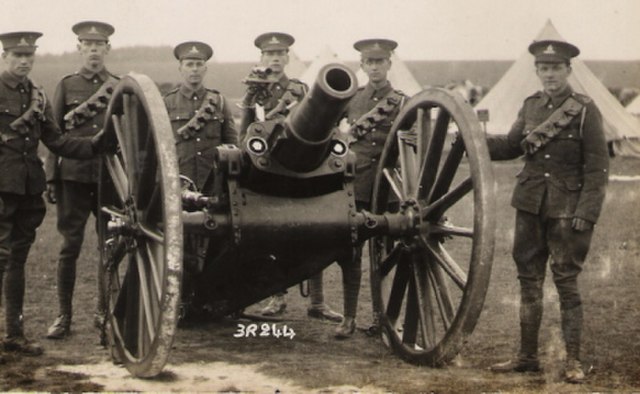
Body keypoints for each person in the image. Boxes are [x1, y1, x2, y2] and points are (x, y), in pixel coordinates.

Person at [486, 39, 609, 383]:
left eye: (556, 68)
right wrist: (472, 139)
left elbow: (598, 169)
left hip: (567, 211)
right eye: (544, 68)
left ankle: (573, 361)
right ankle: (527, 357)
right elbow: (511, 145)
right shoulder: (531, 107)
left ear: (568, 70)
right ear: (537, 71)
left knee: (567, 282)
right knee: (528, 282)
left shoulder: (584, 109)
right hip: (528, 206)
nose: (550, 74)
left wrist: (587, 212)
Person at [0, 31, 101, 355]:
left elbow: (57, 141)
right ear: (5, 57)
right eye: (17, 56)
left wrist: (96, 145)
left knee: (17, 259)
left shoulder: (37, 96)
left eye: (29, 56)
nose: (24, 61)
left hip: (28, 190)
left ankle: (14, 335)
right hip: (2, 188)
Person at [240, 32, 342, 322]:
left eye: (280, 54)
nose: (275, 58)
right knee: (267, 236)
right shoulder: (254, 91)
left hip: (298, 169)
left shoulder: (299, 90)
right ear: (261, 58)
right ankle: (276, 298)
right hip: (266, 170)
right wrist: (249, 101)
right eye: (269, 54)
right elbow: (243, 135)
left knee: (317, 231)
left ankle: (318, 302)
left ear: (287, 58)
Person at [44, 21, 119, 340]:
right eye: (87, 45)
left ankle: (104, 314)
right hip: (72, 177)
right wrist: (51, 177)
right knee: (69, 246)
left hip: (109, 178)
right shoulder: (66, 85)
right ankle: (64, 315)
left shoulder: (118, 85)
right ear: (79, 49)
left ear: (107, 49)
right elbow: (53, 135)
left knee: (110, 247)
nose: (93, 51)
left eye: (99, 45)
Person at [335, 38, 407, 338]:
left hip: (388, 187)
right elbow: (331, 134)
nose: (375, 67)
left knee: (386, 255)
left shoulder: (403, 101)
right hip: (359, 185)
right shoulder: (353, 99)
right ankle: (349, 318)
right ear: (362, 66)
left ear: (389, 64)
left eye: (380, 62)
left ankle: (384, 319)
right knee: (351, 253)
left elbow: (411, 142)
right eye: (369, 62)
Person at [163, 41, 237, 321]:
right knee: (180, 242)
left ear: (206, 68)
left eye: (198, 65)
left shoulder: (218, 102)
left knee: (216, 241)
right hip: (179, 182)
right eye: (189, 64)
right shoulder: (168, 102)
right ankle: (181, 301)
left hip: (212, 183)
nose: (194, 70)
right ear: (181, 68)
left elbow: (232, 143)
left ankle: (211, 300)